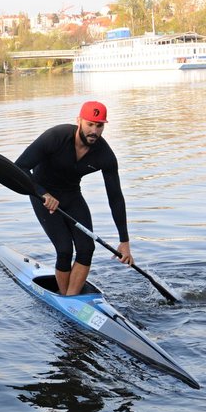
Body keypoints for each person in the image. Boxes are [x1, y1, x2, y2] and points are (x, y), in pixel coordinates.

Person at [15, 100, 132, 296]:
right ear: (79, 121)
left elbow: (115, 197)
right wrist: (42, 193)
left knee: (87, 247)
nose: (94, 131)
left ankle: (72, 298)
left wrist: (124, 241)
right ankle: (64, 298)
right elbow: (20, 167)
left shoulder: (105, 155)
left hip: (72, 195)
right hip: (42, 195)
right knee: (64, 249)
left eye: (99, 125)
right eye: (90, 124)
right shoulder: (56, 137)